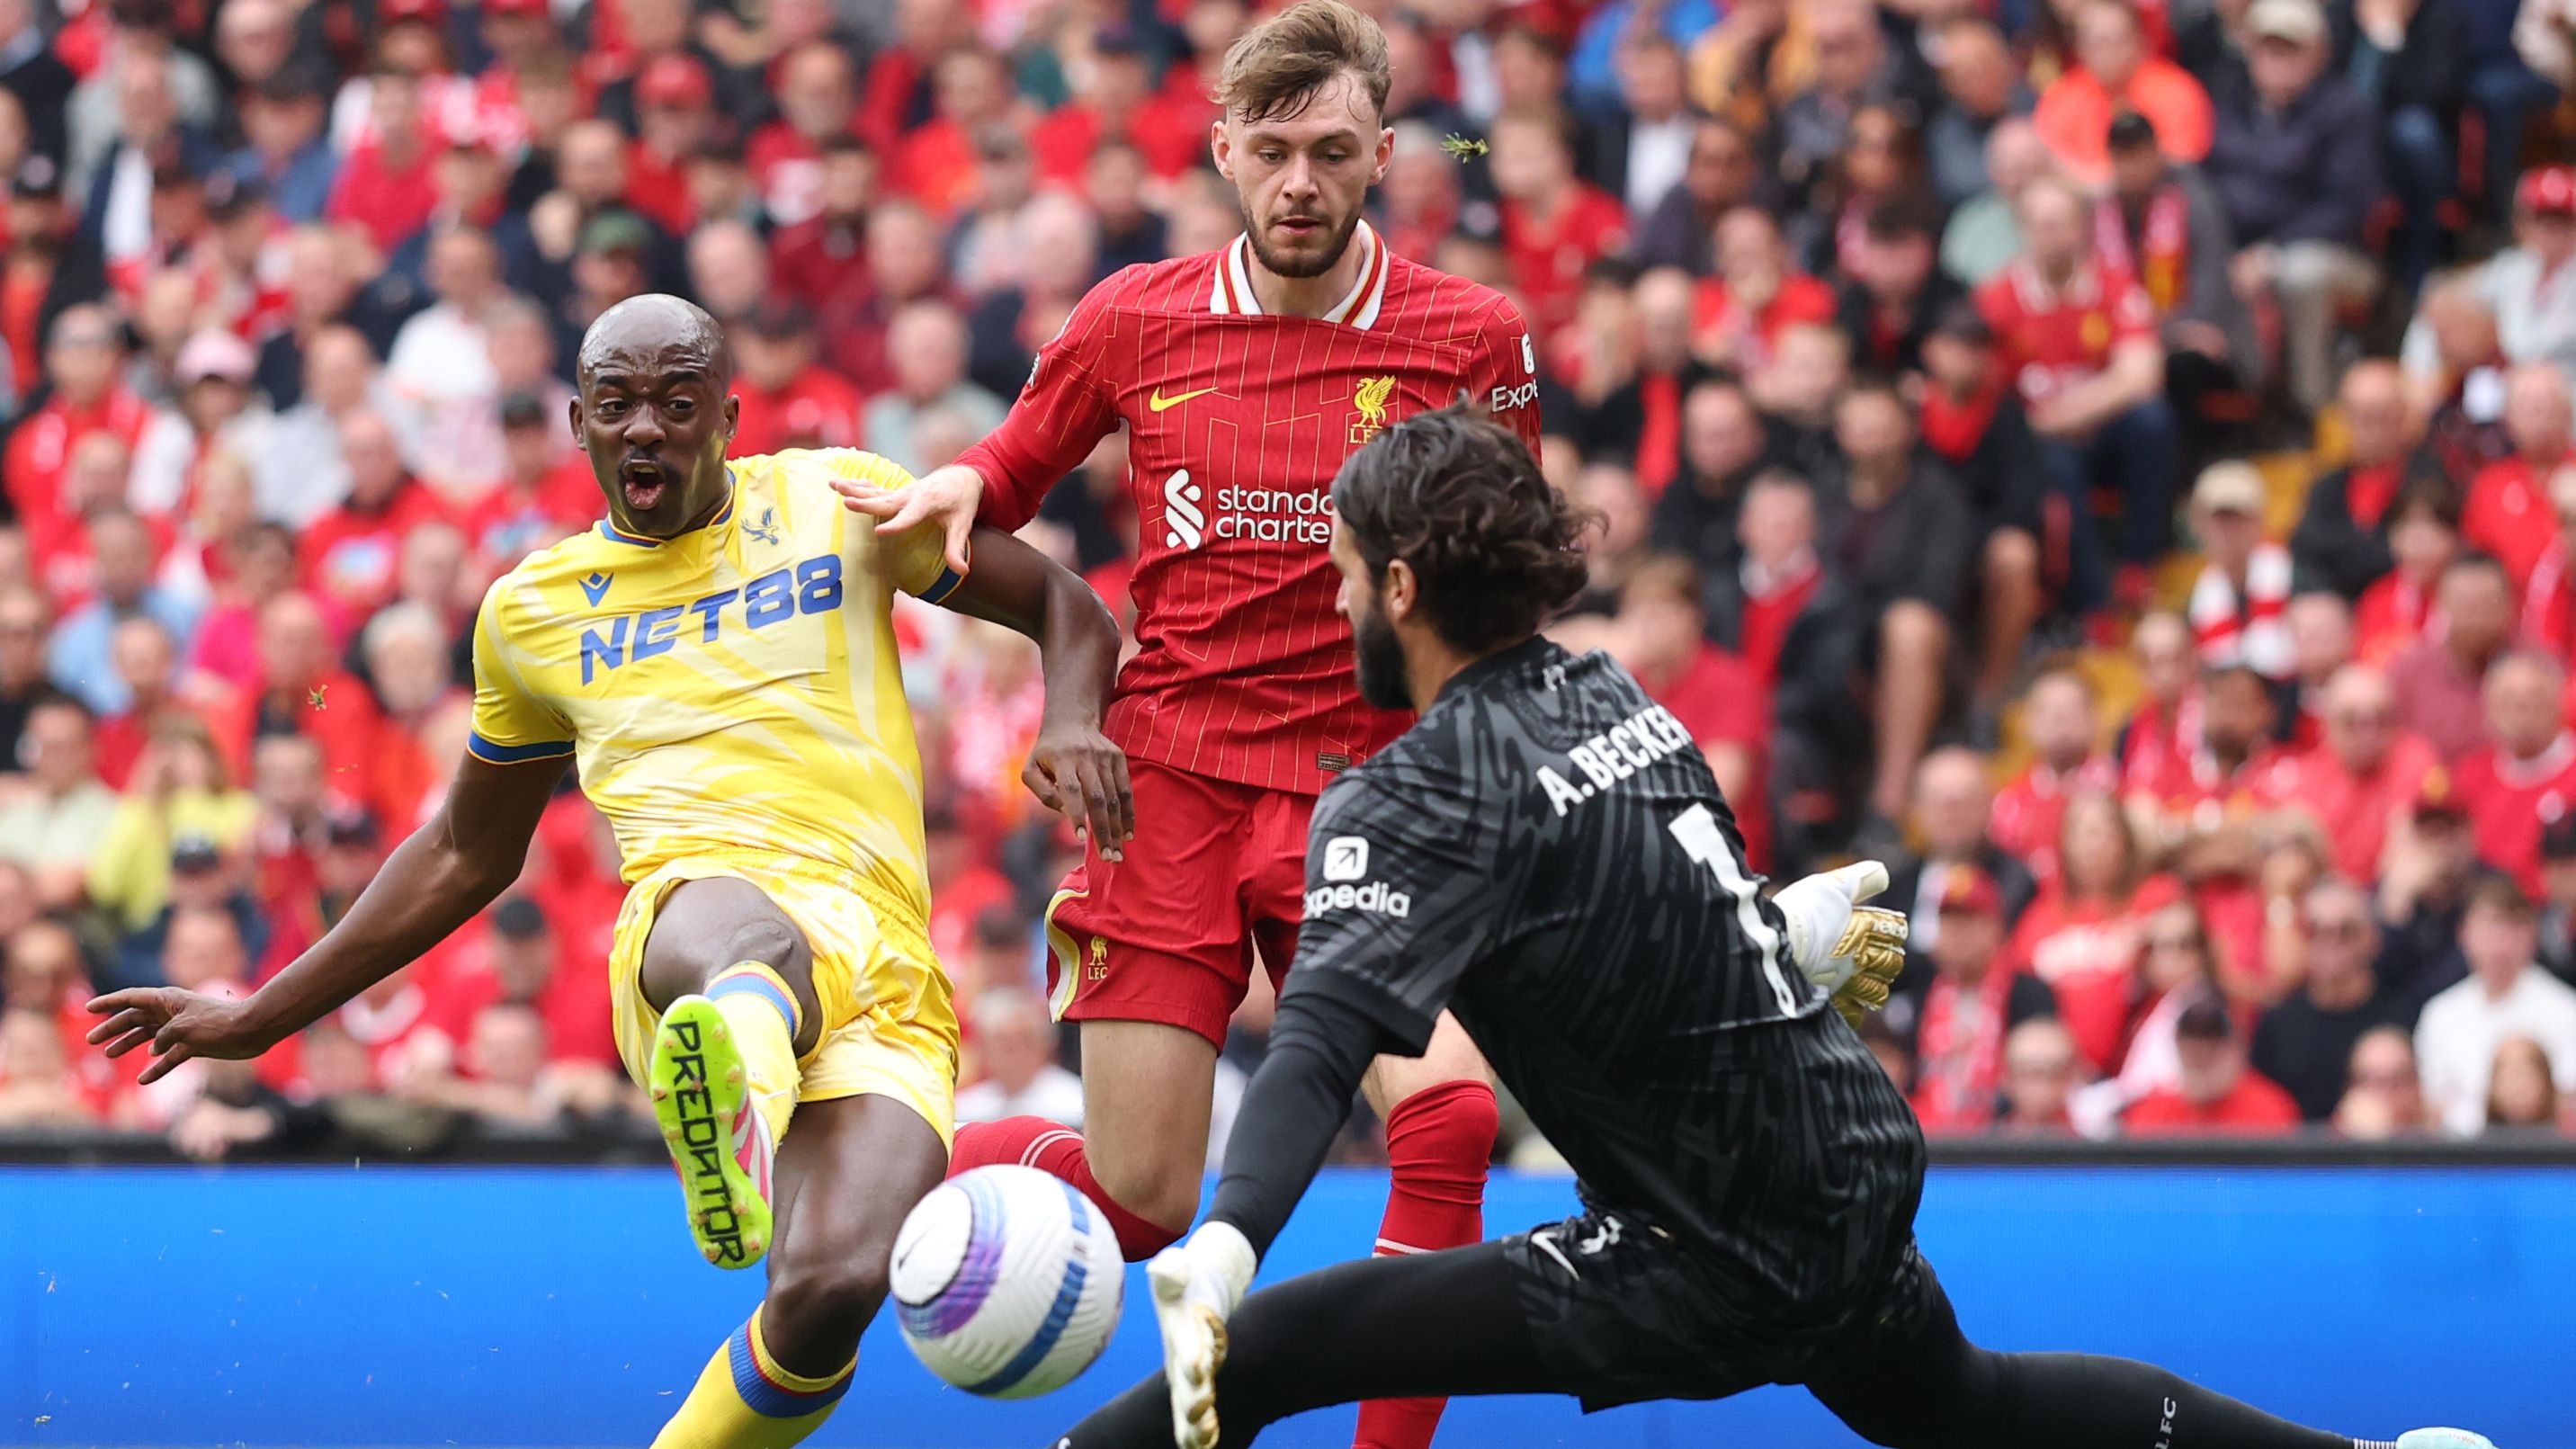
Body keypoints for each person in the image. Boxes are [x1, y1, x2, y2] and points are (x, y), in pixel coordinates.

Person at [1051, 406, 2489, 1449]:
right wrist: (1779, 936)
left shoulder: (1408, 795)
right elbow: (1661, 914)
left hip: (1713, 1237)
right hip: (1841, 1157)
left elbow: (1317, 1040)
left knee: (1278, 1339)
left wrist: (1230, 1235)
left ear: (1404, 587)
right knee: (1966, 1401)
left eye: (1347, 568)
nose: (1336, 592)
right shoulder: (1609, 691)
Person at [83, 294, 1130, 1449]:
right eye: (618, 405)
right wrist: (261, 1015)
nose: (646, 428)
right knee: (752, 939)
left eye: (678, 403)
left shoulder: (837, 502)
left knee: (829, 1291)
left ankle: (733, 1157)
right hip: (695, 924)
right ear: (579, 424)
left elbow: (1065, 605)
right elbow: (465, 850)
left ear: (727, 418)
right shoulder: (531, 614)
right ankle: (731, 1084)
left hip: (886, 974)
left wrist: (1070, 721)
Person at [842, 14, 1541, 1448]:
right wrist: (967, 505)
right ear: (1224, 150)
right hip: (1168, 784)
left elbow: (1511, 586)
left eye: (1331, 151)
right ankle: (869, 1161)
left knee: (1452, 1119)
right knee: (1141, 1201)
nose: (1300, 182)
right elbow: (1002, 477)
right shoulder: (1134, 317)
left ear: (1382, 155)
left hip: (1367, 787)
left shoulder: (1471, 335)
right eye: (1271, 150)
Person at [2413, 875, 2576, 1136]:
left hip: (2539, 1149)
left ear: (2532, 934)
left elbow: (2568, 1101)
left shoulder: (2566, 1009)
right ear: (2464, 934)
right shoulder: (2440, 1014)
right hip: (2457, 1152)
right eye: (2489, 928)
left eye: (2512, 930)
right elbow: (2432, 1105)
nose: (2500, 944)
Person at [2250, 877, 2405, 1122]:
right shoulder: (2276, 1026)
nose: (2330, 941)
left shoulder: (2402, 1017)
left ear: (2373, 938)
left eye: (2346, 931)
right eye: (2315, 930)